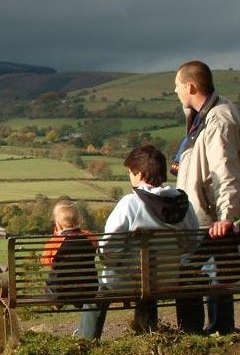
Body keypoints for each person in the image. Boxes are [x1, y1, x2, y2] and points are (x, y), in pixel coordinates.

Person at [75, 145, 199, 339]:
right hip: (168, 278)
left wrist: (115, 263)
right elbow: (191, 244)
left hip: (126, 280)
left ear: (139, 174)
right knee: (173, 282)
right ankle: (189, 334)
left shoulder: (130, 204)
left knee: (98, 294)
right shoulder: (184, 204)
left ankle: (85, 340)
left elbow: (109, 246)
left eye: (130, 173)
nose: (129, 177)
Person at [171, 60, 240, 334]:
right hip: (205, 215)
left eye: (178, 87)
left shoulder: (217, 120)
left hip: (209, 218)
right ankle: (215, 328)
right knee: (208, 272)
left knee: (196, 271)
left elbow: (224, 170)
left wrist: (226, 215)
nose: (176, 92)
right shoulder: (209, 115)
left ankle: (210, 329)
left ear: (190, 86)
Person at [41, 200, 98, 308]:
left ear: (57, 224)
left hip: (61, 291)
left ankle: (57, 301)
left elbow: (45, 261)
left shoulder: (56, 242)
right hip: (89, 289)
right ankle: (79, 301)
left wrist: (56, 236)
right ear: (79, 220)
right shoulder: (90, 237)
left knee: (50, 281)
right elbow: (95, 245)